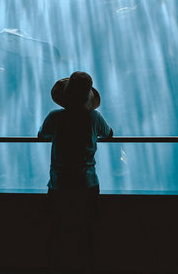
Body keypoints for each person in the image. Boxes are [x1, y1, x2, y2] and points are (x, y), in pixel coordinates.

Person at [38, 71, 113, 274]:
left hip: (59, 182)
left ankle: (52, 265)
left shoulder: (55, 117)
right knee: (86, 229)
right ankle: (87, 267)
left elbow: (42, 134)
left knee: (56, 228)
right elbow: (109, 133)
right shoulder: (94, 117)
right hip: (86, 182)